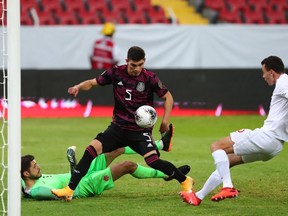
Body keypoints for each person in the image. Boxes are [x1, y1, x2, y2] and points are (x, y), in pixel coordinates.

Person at [52, 46, 194, 202]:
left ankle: (185, 180)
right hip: (117, 128)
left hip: (139, 131)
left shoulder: (150, 78)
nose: (137, 69)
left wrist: (165, 121)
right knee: (91, 150)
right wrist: (78, 87)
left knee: (153, 161)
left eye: (140, 64)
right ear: (127, 61)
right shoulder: (115, 72)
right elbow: (92, 83)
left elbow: (169, 98)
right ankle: (69, 190)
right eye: (133, 65)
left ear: (144, 62)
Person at [179, 56, 288, 206]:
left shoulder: (283, 81)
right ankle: (198, 196)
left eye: (263, 72)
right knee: (226, 162)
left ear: (271, 72)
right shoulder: (282, 84)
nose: (263, 76)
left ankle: (228, 187)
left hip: (266, 137)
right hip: (275, 147)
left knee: (216, 147)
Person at [22, 144, 191, 200]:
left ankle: (160, 145)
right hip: (86, 185)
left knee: (114, 148)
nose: (39, 167)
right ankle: (169, 174)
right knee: (127, 165)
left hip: (81, 175)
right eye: (35, 166)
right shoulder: (37, 190)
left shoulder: (25, 180)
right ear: (26, 174)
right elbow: (59, 194)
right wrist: (73, 171)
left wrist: (74, 170)